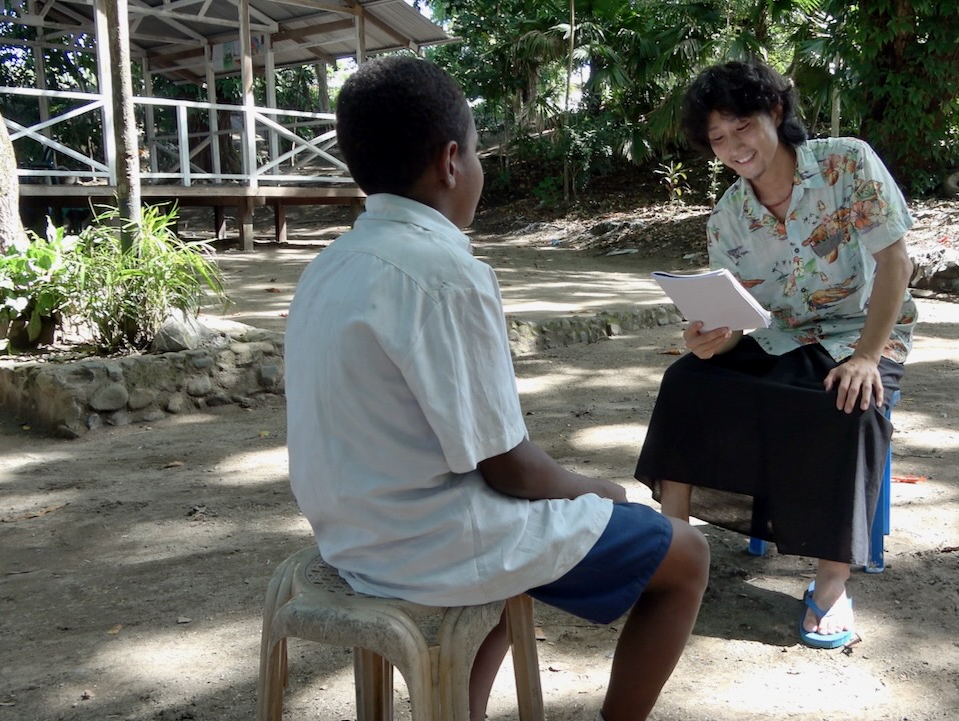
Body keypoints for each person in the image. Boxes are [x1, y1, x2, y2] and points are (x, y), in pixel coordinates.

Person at [284, 55, 710, 721]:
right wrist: (597, 489)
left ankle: (462, 710)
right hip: (426, 543)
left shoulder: (327, 267)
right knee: (686, 555)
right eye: (479, 151)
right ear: (451, 162)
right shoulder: (446, 272)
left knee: (525, 536)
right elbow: (509, 467)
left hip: (352, 534)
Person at [635, 59, 916, 650]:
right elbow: (742, 317)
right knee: (685, 381)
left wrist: (867, 356)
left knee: (852, 401)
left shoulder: (847, 164)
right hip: (777, 336)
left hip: (860, 333)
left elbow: (895, 263)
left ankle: (831, 583)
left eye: (743, 126)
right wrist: (710, 338)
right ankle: (673, 551)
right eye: (718, 138)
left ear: (776, 112)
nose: (734, 147)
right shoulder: (728, 217)